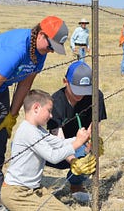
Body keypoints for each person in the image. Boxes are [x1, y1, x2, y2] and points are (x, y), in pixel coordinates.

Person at [0, 16, 69, 211]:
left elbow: (25, 83)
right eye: (50, 46)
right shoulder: (16, 48)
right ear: (41, 34)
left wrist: (12, 115)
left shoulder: (39, 52)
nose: (50, 51)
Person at [1, 89, 96, 210]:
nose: (51, 115)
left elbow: (59, 143)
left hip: (33, 190)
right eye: (49, 111)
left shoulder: (38, 130)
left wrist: (81, 138)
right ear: (36, 108)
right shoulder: (28, 131)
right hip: (17, 193)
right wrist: (77, 143)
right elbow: (53, 156)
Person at [46, 61, 107, 197]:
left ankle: (76, 185)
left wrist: (92, 144)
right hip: (58, 147)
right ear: (65, 82)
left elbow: (94, 124)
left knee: (89, 156)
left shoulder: (96, 96)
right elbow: (58, 140)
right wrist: (73, 161)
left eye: (85, 90)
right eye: (76, 89)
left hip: (81, 144)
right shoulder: (55, 102)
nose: (81, 95)